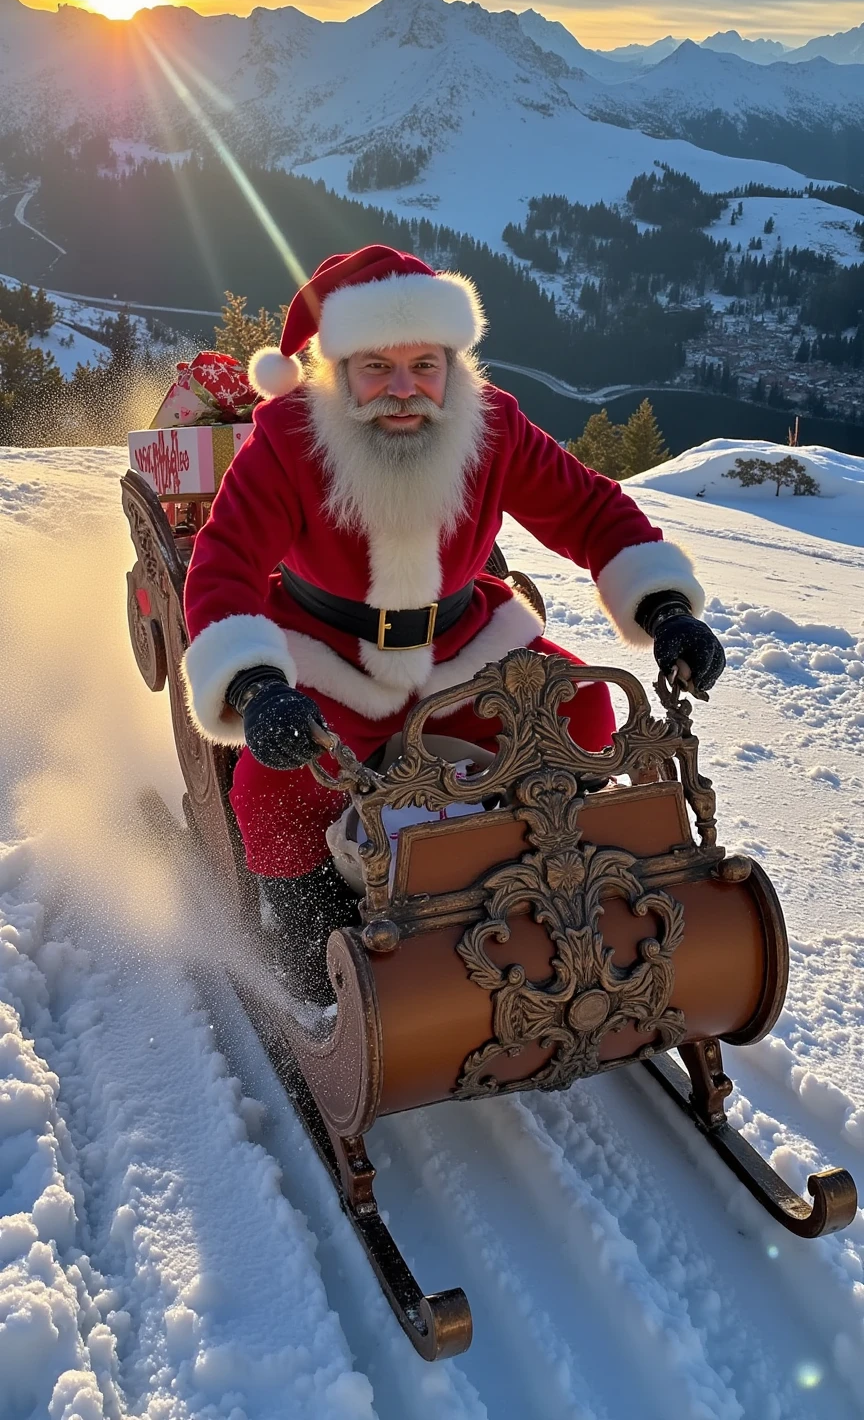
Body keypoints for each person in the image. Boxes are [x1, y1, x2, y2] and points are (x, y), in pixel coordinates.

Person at [182, 245, 724, 999]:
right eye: (376, 367)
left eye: (425, 365)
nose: (404, 391)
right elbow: (225, 561)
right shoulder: (286, 437)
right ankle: (311, 940)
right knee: (272, 788)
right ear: (337, 368)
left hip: (466, 645)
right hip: (329, 654)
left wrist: (663, 605)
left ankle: (533, 874)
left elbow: (590, 510)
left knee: (583, 707)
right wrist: (255, 682)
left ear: (451, 361)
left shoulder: (493, 422)